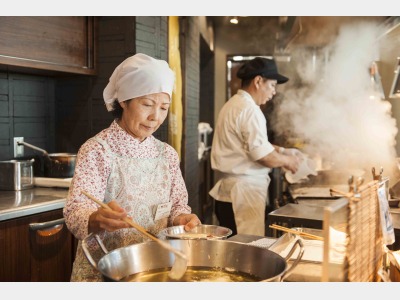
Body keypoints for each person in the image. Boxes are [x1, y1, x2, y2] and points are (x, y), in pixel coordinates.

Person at [63, 53, 201, 282]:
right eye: (147, 104)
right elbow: (75, 211)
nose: (155, 117)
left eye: (164, 108)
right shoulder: (98, 150)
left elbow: (177, 205)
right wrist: (97, 218)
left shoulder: (166, 154)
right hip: (105, 273)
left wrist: (182, 219)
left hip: (154, 270)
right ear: (124, 101)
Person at [209, 57, 303, 236]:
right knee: (245, 251)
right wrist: (288, 161)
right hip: (243, 195)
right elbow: (263, 156)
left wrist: (282, 151)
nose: (274, 92)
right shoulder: (249, 110)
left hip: (232, 194)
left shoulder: (234, 104)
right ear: (258, 81)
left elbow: (253, 144)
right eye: (273, 85)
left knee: (233, 251)